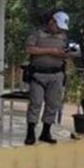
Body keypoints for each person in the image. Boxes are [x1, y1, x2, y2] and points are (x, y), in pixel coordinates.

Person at [24, 11, 71, 145]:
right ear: (52, 21)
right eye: (58, 26)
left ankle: (46, 132)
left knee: (53, 104)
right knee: (36, 103)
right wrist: (51, 51)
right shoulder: (37, 33)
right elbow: (29, 49)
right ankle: (30, 132)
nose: (59, 29)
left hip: (56, 74)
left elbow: (66, 52)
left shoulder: (63, 36)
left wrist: (65, 54)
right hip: (38, 74)